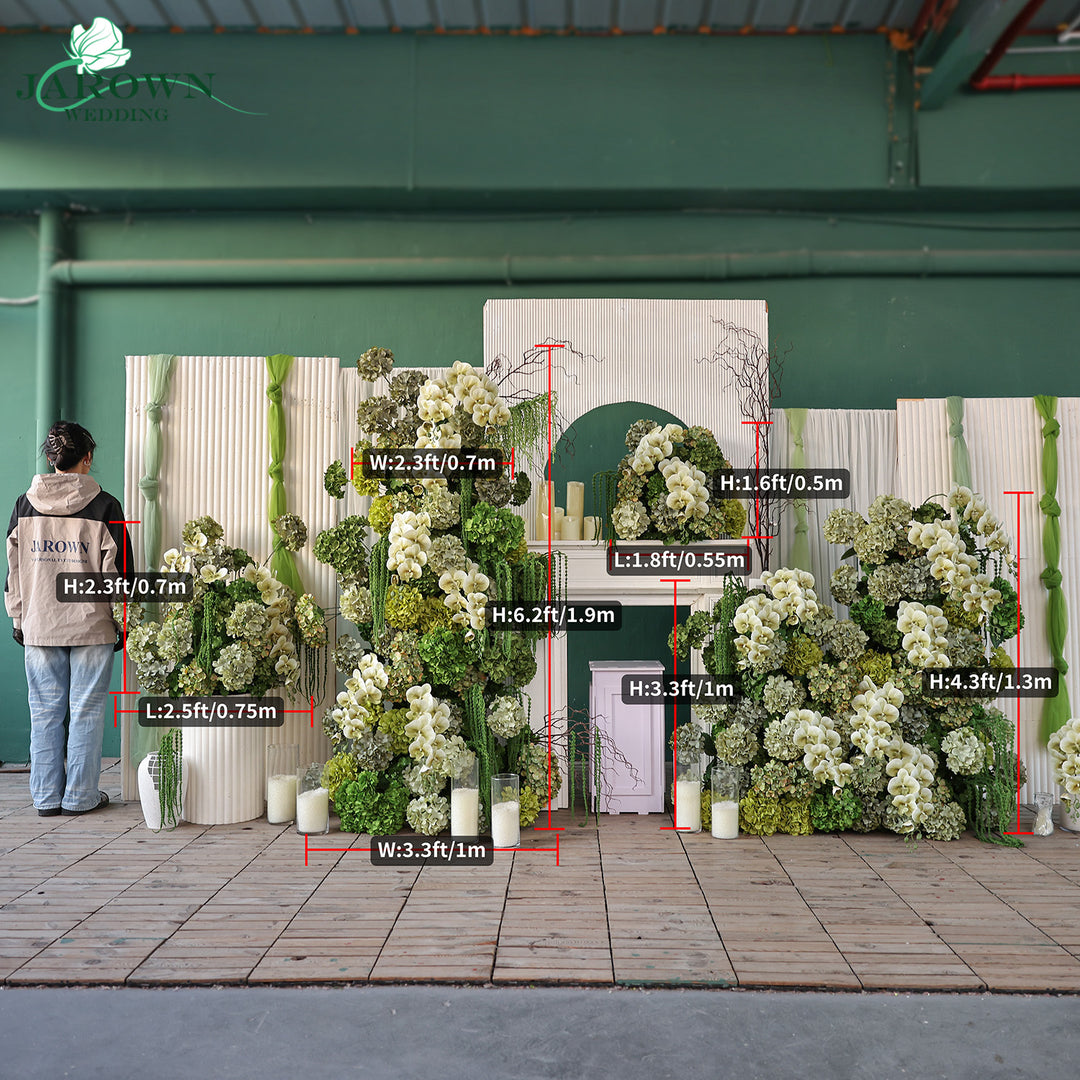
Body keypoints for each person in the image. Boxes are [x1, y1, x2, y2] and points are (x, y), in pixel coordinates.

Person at [5, 421, 133, 816]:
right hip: (91, 626)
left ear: (51, 458)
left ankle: (45, 799)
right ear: (87, 458)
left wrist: (18, 618)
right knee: (87, 710)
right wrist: (123, 622)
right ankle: (79, 798)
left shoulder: (24, 506)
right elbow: (120, 575)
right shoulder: (106, 506)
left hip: (40, 623)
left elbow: (14, 570)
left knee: (43, 711)